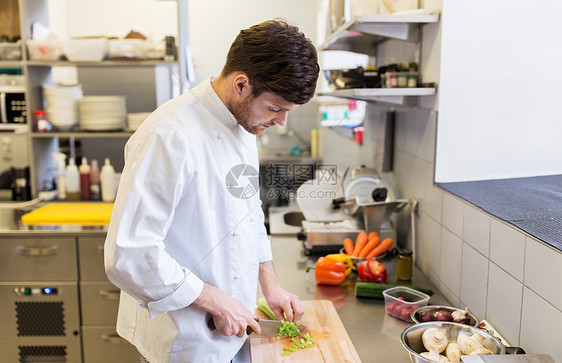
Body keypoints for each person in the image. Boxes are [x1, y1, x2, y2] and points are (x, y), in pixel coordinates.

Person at [104, 19, 319, 363]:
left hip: (235, 333)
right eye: (276, 108)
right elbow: (129, 254)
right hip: (183, 342)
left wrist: (271, 284)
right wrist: (216, 300)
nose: (281, 123)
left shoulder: (245, 125)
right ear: (241, 84)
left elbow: (249, 214)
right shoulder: (169, 134)